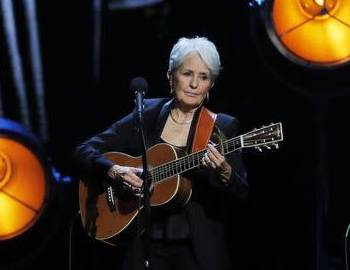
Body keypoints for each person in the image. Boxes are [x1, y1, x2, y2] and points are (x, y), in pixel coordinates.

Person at [73, 36, 249, 270]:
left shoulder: (222, 127)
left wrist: (225, 172)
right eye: (187, 74)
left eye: (203, 77)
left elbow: (242, 196)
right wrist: (115, 171)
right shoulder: (146, 115)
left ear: (211, 85)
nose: (194, 84)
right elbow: (83, 150)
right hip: (144, 249)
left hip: (197, 254)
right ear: (170, 76)